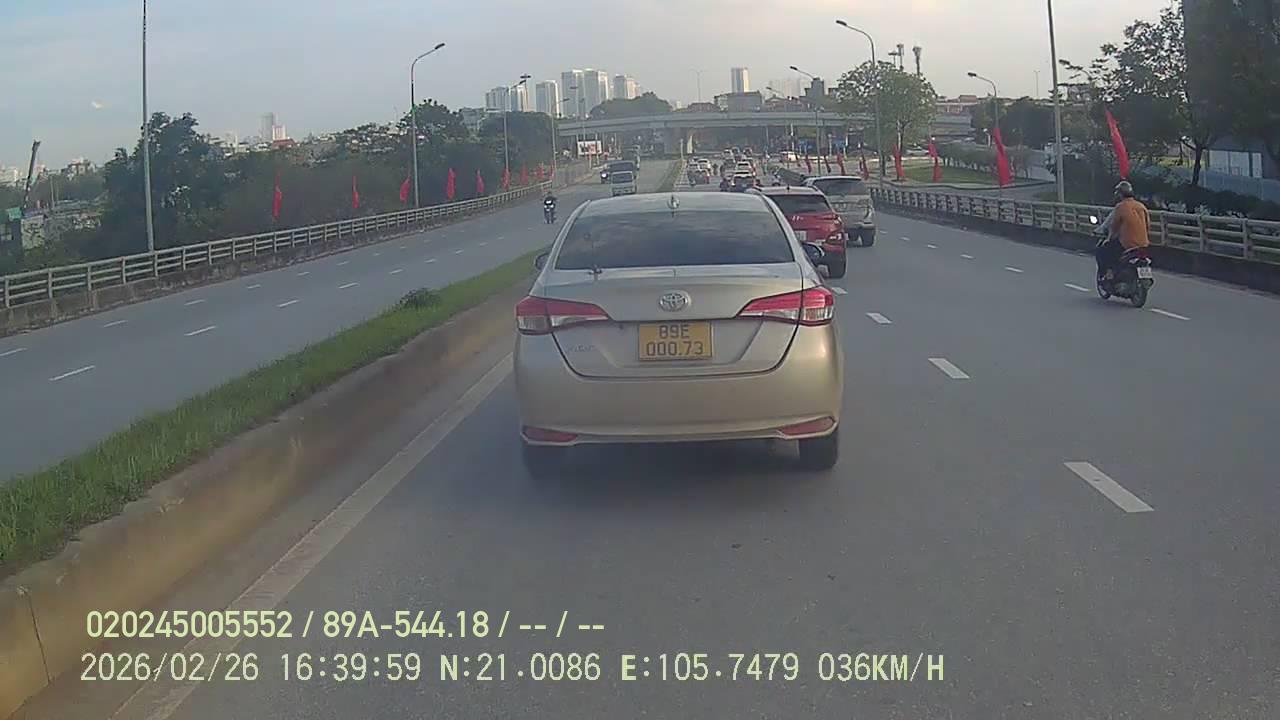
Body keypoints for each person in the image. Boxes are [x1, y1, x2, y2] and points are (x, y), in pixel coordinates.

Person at [1096, 181, 1150, 281]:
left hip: (1127, 244)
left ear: (1120, 194)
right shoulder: (1142, 206)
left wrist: (1108, 239)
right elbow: (1147, 226)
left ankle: (1109, 273)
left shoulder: (1121, 207)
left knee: (1103, 250)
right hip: (1143, 244)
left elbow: (1113, 226)